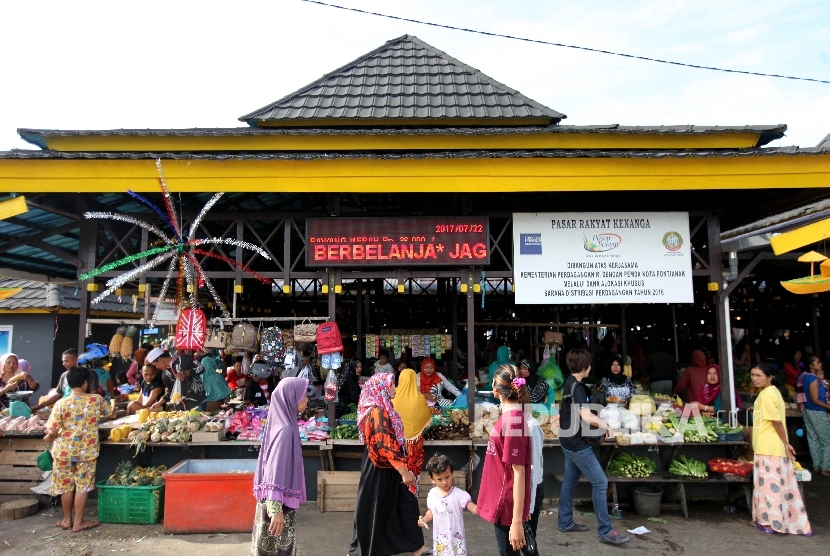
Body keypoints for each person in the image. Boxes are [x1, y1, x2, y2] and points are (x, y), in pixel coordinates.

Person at [348, 374, 429, 556]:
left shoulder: (384, 408)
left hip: (387, 467)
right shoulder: (378, 412)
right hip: (380, 468)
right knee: (375, 508)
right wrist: (404, 471)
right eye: (391, 386)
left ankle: (414, 546)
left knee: (404, 504)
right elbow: (385, 446)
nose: (394, 390)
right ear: (380, 389)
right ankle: (364, 550)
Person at [558, 349, 628, 545]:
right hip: (577, 444)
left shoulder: (570, 383)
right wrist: (608, 426)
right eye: (589, 364)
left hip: (567, 441)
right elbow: (586, 416)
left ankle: (565, 522)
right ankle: (606, 531)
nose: (590, 367)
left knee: (569, 482)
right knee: (600, 483)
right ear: (584, 366)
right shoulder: (577, 387)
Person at [45, 367, 117, 533]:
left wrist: (49, 436)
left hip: (63, 451)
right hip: (87, 451)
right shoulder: (96, 400)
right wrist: (113, 402)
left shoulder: (60, 404)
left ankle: (66, 520)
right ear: (85, 383)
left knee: (66, 487)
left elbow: (54, 430)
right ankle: (78, 522)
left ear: (68, 385)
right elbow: (111, 414)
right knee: (82, 486)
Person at [750, 362, 812, 535]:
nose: (754, 378)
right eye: (753, 375)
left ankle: (773, 523)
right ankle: (775, 521)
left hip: (768, 447)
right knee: (780, 486)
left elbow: (776, 422)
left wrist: (786, 443)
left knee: (770, 487)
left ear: (769, 378)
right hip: (772, 447)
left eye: (758, 375)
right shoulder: (773, 392)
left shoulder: (767, 395)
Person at [251, 377, 309, 555]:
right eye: (303, 396)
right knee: (275, 549)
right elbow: (273, 471)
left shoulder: (282, 424)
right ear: (291, 398)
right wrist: (276, 511)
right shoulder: (285, 431)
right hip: (277, 503)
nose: (306, 400)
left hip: (274, 500)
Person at [477, 364, 531, 555]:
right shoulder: (510, 416)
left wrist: (516, 521)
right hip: (505, 504)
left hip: (506, 506)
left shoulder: (514, 420)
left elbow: (519, 472)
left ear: (495, 389)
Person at [418, 453, 477, 556]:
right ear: (432, 479)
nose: (445, 482)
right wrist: (425, 519)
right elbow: (431, 511)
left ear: (452, 474)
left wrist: (483, 509)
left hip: (456, 539)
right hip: (440, 539)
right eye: (439, 479)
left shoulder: (459, 495)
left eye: (447, 477)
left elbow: (471, 506)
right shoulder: (432, 494)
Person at [392, 369, 432, 496]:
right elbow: (426, 419)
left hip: (395, 445)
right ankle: (411, 500)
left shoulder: (392, 398)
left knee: (396, 475)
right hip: (414, 446)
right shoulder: (419, 399)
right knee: (413, 474)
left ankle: (396, 504)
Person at [32, 349, 99, 411]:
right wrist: (40, 406)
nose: (63, 364)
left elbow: (93, 392)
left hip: (83, 408)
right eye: (63, 361)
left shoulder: (89, 373)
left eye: (66, 361)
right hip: (65, 408)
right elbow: (59, 394)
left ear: (76, 360)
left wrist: (88, 407)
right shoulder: (64, 375)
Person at [800, 356, 830, 476]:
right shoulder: (812, 379)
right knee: (826, 440)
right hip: (817, 411)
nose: (820, 363)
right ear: (811, 366)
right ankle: (826, 468)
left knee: (813, 439)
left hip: (808, 411)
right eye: (818, 362)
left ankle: (817, 466)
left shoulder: (805, 376)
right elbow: (815, 399)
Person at [526, 411, 545, 540]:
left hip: (531, 492)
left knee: (528, 542)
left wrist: (529, 507)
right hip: (522, 493)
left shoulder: (531, 426)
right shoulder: (514, 424)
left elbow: (535, 468)